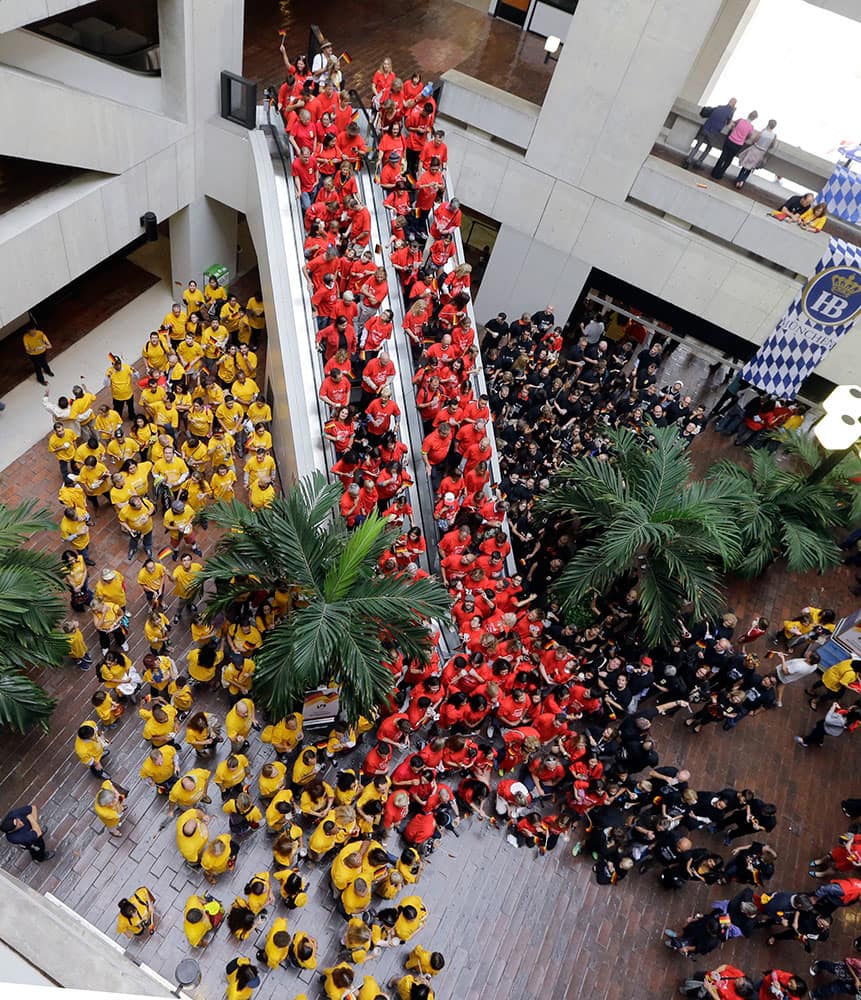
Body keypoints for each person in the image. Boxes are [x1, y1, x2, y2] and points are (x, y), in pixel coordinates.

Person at [683, 98, 737, 169]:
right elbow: (728, 123)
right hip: (713, 132)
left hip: (705, 128)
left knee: (697, 145)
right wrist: (733, 111)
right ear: (734, 104)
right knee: (708, 148)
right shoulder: (730, 112)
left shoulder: (719, 107)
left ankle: (688, 161)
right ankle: (698, 163)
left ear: (728, 101)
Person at [711, 110, 758, 180]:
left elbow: (733, 123)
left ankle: (714, 172)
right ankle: (720, 174)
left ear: (749, 114)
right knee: (729, 160)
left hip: (730, 140)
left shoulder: (740, 120)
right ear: (754, 119)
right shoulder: (751, 127)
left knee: (723, 156)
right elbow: (749, 136)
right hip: (738, 144)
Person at [735, 119, 777, 188]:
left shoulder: (763, 131)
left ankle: (739, 180)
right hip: (761, 152)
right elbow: (772, 145)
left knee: (745, 165)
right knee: (750, 168)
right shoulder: (774, 135)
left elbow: (755, 139)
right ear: (774, 127)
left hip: (755, 149)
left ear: (768, 124)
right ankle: (742, 181)